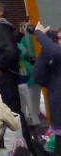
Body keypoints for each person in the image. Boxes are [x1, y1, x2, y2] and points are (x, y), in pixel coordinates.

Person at [33, 21, 61, 151]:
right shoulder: (55, 63)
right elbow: (39, 77)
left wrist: (39, 34)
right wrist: (45, 49)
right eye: (57, 38)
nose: (58, 41)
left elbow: (56, 52)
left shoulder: (57, 54)